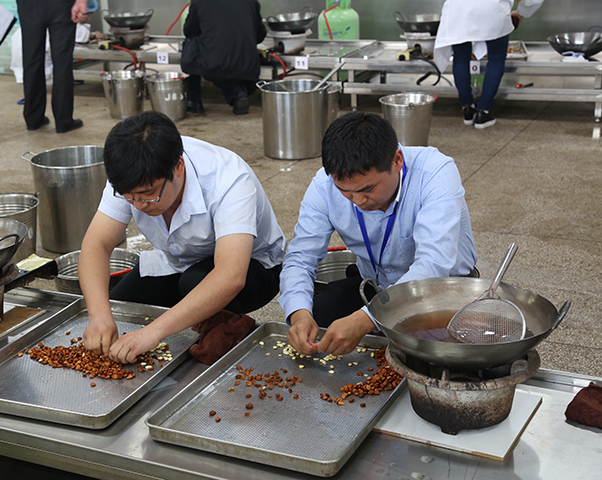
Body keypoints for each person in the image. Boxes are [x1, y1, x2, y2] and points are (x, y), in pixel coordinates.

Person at [79, 111, 286, 364]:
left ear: (178, 167)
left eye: (148, 195)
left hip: (255, 268)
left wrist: (153, 332)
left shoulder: (228, 179)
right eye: (129, 197)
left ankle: (230, 327)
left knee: (194, 282)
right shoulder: (130, 176)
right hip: (177, 259)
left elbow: (231, 276)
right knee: (122, 308)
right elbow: (96, 244)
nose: (139, 205)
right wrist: (99, 316)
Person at [279, 112, 477, 356]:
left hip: (443, 293)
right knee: (318, 316)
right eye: (346, 192)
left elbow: (432, 265)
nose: (359, 201)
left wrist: (364, 321)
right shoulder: (324, 186)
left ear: (397, 160)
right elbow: (300, 258)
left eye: (368, 189)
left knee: (438, 357)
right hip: (375, 288)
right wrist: (299, 316)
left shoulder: (435, 173)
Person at [434, 0, 545, 129]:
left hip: (458, 9)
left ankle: (467, 109)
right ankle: (483, 112)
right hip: (493, 9)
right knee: (496, 59)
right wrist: (522, 13)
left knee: (460, 58)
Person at [13, 0, 89, 132]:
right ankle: (63, 120)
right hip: (61, 4)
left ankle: (33, 119)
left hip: (29, 5)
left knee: (32, 59)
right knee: (62, 61)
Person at [181, 0, 267, 115]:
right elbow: (260, 34)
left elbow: (189, 31)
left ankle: (194, 100)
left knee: (191, 45)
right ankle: (238, 91)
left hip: (216, 66)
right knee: (225, 70)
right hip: (250, 70)